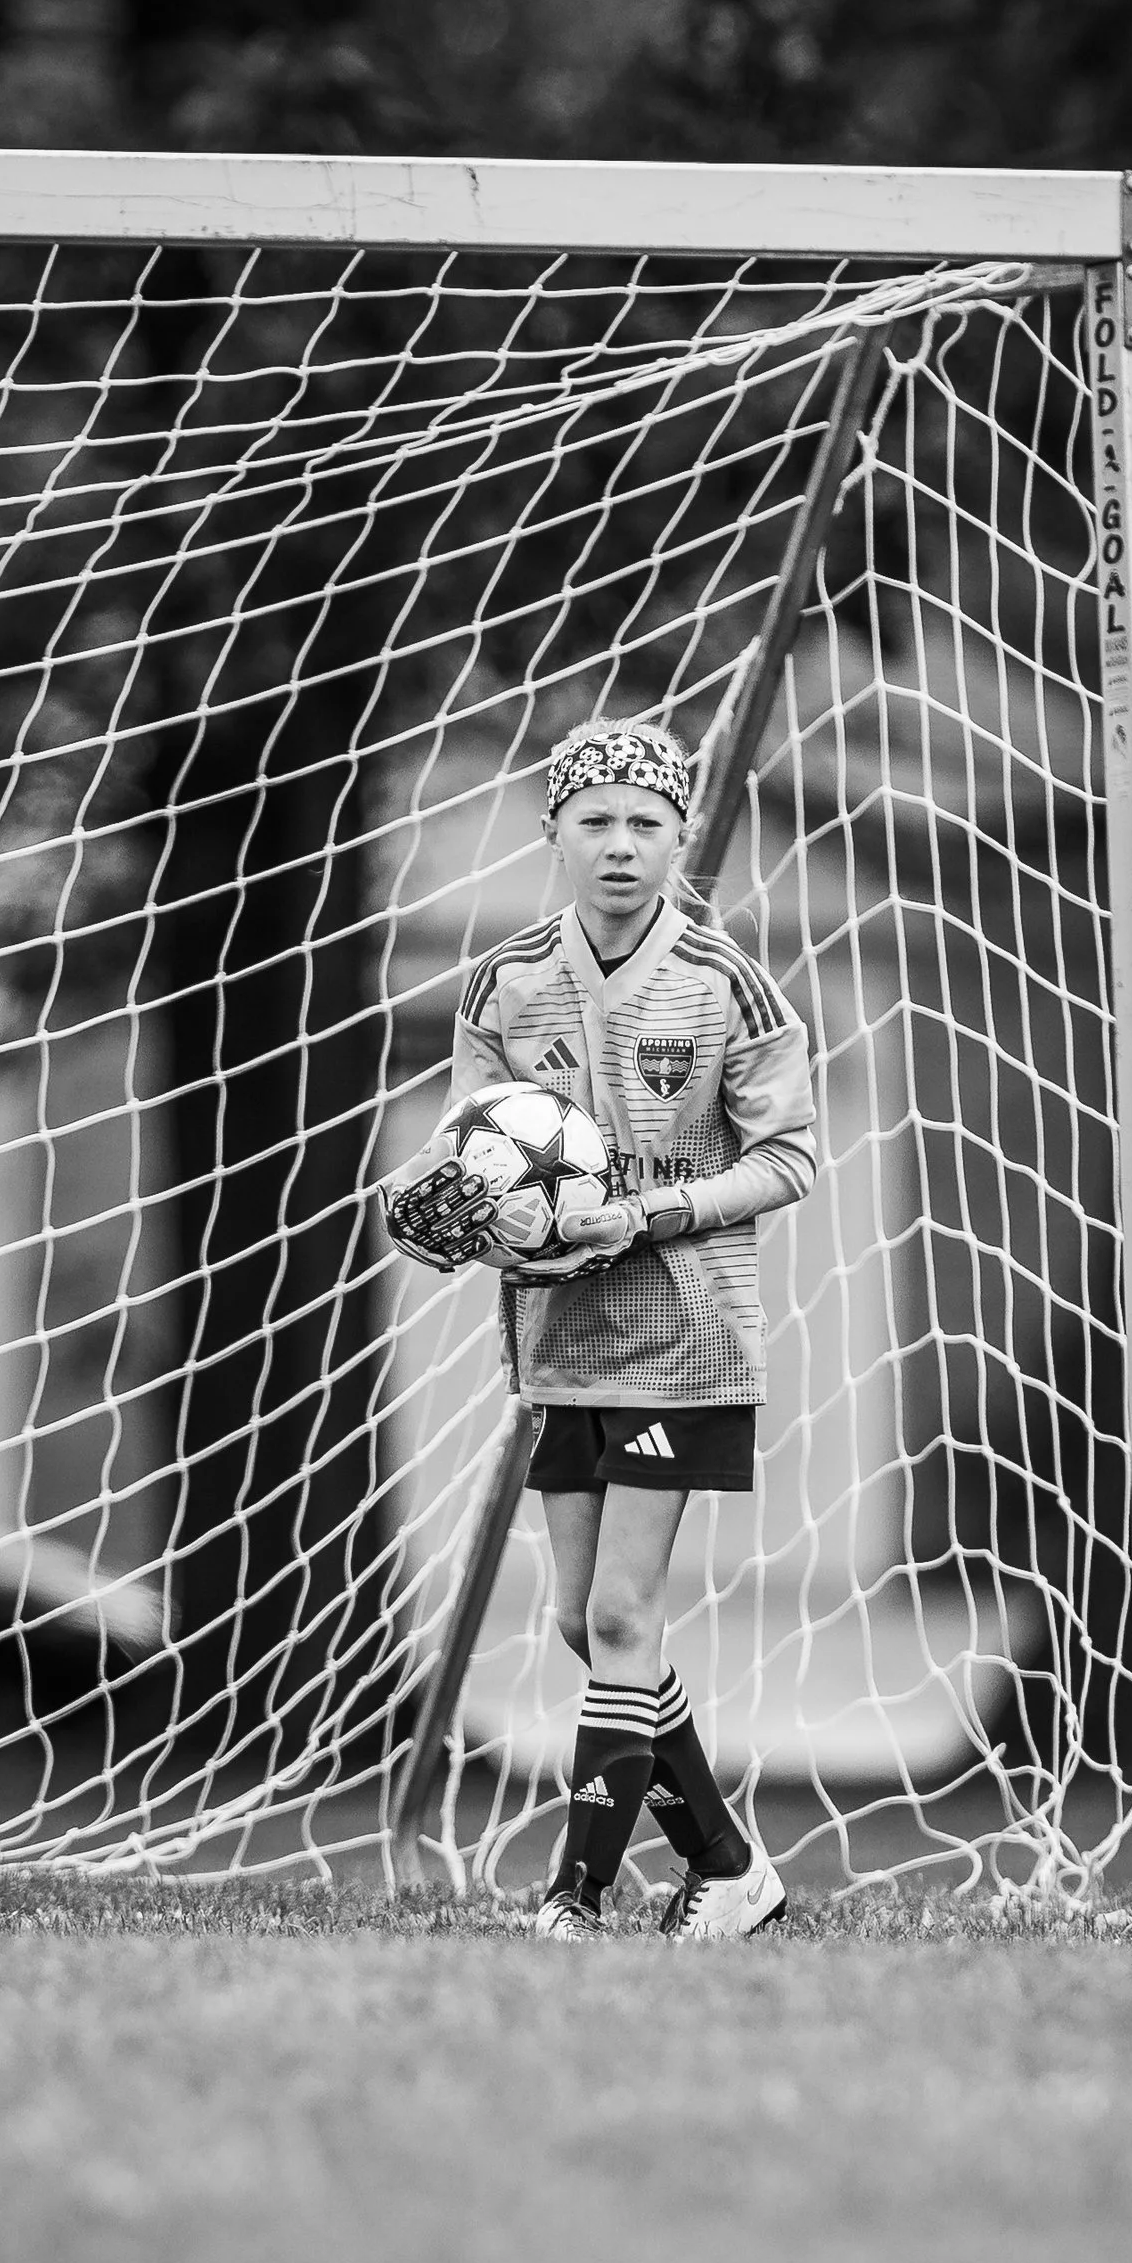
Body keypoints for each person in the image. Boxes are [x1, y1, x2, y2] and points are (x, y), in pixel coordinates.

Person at [385, 717, 819, 1939]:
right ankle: (731, 1869)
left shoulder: (729, 984)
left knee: (624, 1618)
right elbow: (469, 1145)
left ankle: (573, 1898)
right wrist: (440, 1200)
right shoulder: (504, 982)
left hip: (686, 1333)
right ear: (554, 836)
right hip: (556, 1338)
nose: (620, 845)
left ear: (681, 836)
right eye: (595, 822)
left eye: (645, 822)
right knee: (585, 1623)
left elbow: (788, 1157)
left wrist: (649, 1213)